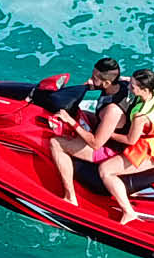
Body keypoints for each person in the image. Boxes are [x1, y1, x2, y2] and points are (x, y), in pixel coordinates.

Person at [47, 58, 131, 206]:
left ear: (106, 83)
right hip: (107, 126)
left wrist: (70, 121)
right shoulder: (123, 84)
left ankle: (70, 197)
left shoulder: (112, 110)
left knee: (56, 143)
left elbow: (96, 143)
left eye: (94, 78)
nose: (90, 79)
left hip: (110, 149)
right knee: (82, 113)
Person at [97, 69, 154, 223]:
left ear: (144, 89)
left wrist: (108, 133)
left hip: (151, 149)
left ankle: (128, 212)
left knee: (105, 170)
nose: (129, 88)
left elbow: (130, 140)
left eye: (133, 86)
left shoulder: (141, 116)